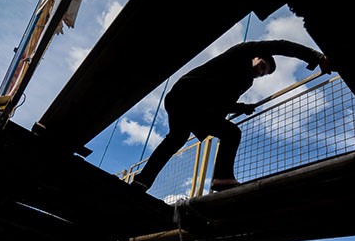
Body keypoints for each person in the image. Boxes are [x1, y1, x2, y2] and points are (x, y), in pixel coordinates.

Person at [132, 39, 331, 193]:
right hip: (187, 94)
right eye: (262, 67)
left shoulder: (245, 82)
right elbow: (281, 45)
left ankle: (142, 181)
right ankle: (222, 178)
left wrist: (242, 107)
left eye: (263, 74)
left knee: (182, 138)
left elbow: (222, 104)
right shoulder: (242, 52)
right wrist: (315, 56)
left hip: (196, 106)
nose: (259, 73)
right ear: (257, 55)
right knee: (229, 133)